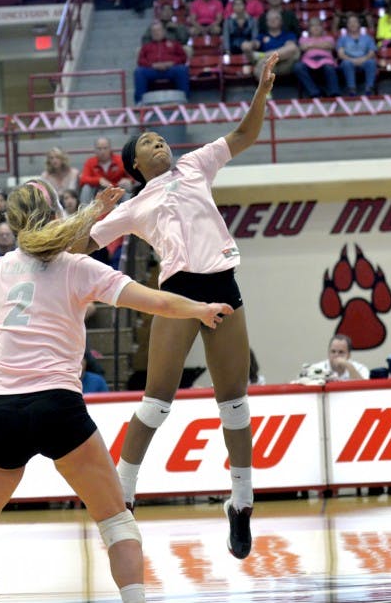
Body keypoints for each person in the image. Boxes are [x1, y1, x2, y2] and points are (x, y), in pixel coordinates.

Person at [0, 180, 233, 603]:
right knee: (117, 524)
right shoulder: (78, 267)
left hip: (3, 411)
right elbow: (159, 303)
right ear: (57, 215)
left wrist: (70, 228)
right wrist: (201, 309)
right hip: (58, 405)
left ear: (14, 224)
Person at [84, 53, 278, 561]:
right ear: (135, 164)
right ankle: (123, 495)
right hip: (177, 292)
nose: (160, 143)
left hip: (223, 284)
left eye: (161, 138)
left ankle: (241, 502)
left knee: (234, 403)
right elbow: (84, 243)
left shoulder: (195, 164)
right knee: (156, 402)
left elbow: (245, 134)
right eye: (149, 142)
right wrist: (90, 213)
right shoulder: (132, 205)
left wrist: (260, 92)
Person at [293, 17, 341, 97]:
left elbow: (330, 45)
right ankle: (315, 92)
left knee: (329, 67)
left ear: (322, 27)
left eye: (318, 25)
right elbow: (303, 47)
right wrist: (321, 45)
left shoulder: (329, 38)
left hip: (326, 60)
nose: (316, 28)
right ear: (309, 29)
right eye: (313, 26)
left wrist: (310, 45)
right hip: (308, 61)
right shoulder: (303, 39)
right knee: (298, 67)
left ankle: (334, 93)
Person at [78, 137, 132, 205]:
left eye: (105, 148)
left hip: (116, 191)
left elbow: (133, 175)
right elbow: (83, 179)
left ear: (110, 149)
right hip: (98, 193)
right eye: (99, 149)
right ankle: (85, 210)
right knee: (86, 187)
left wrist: (129, 180)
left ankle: (128, 209)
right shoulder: (90, 162)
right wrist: (99, 180)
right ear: (95, 150)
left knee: (127, 186)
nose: (102, 151)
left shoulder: (120, 160)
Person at [336, 14, 377, 96]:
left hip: (364, 60)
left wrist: (363, 59)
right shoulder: (342, 39)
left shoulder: (368, 38)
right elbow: (340, 54)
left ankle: (370, 88)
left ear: (359, 24)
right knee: (346, 63)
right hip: (349, 60)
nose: (353, 24)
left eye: (355, 22)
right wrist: (352, 60)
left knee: (371, 62)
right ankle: (351, 89)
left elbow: (372, 52)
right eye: (350, 22)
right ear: (347, 25)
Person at [302, 334, 369, 381]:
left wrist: (349, 366)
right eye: (333, 351)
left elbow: (363, 389)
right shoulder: (316, 368)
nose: (336, 355)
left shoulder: (360, 368)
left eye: (341, 352)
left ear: (349, 355)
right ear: (328, 353)